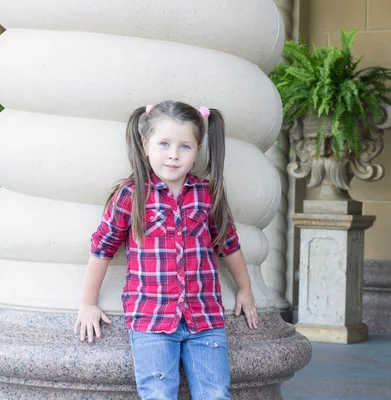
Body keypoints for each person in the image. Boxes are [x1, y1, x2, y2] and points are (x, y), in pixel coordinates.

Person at [74, 100, 258, 400]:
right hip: (151, 319)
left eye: (185, 146)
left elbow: (229, 243)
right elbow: (102, 248)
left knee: (215, 394)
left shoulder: (206, 193)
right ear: (146, 146)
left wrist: (245, 289)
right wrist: (88, 302)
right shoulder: (132, 194)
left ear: (197, 149)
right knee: (158, 394)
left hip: (205, 318)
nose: (173, 155)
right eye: (164, 144)